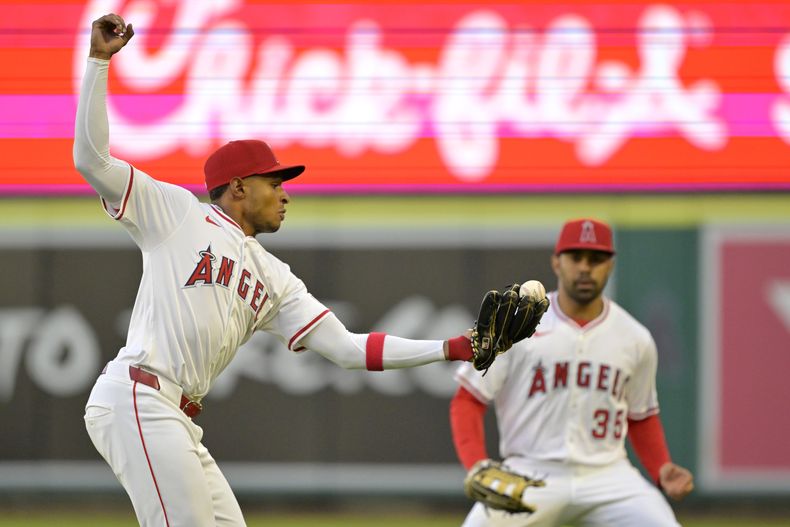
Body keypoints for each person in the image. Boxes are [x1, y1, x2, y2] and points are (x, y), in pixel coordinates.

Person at [75, 14, 491, 526]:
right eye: (275, 181)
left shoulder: (274, 276)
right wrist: (98, 62)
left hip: (179, 419)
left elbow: (349, 349)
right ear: (239, 187)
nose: (285, 192)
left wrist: (454, 347)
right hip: (140, 397)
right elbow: (92, 161)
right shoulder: (177, 213)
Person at [450, 218, 694, 526]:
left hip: (609, 477)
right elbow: (468, 399)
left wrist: (661, 467)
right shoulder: (517, 326)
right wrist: (476, 464)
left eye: (595, 259)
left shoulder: (635, 337)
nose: (584, 268)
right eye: (575, 257)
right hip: (530, 471)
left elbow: (641, 415)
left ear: (611, 264)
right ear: (556, 262)